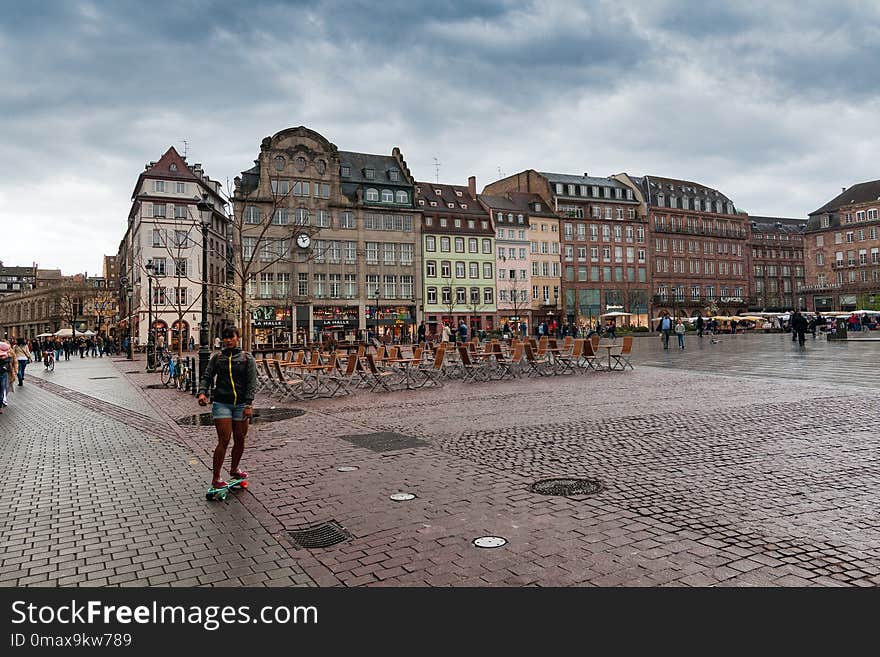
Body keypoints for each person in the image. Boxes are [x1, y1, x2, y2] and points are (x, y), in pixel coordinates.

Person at [197, 326, 258, 490]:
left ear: (238, 337)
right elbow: (207, 376)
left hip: (241, 405)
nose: (228, 340)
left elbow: (252, 383)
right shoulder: (217, 358)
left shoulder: (247, 358)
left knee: (240, 439)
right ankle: (216, 477)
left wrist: (248, 404)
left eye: (231, 337)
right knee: (224, 440)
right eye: (226, 337)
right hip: (222, 403)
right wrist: (202, 393)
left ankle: (234, 469)